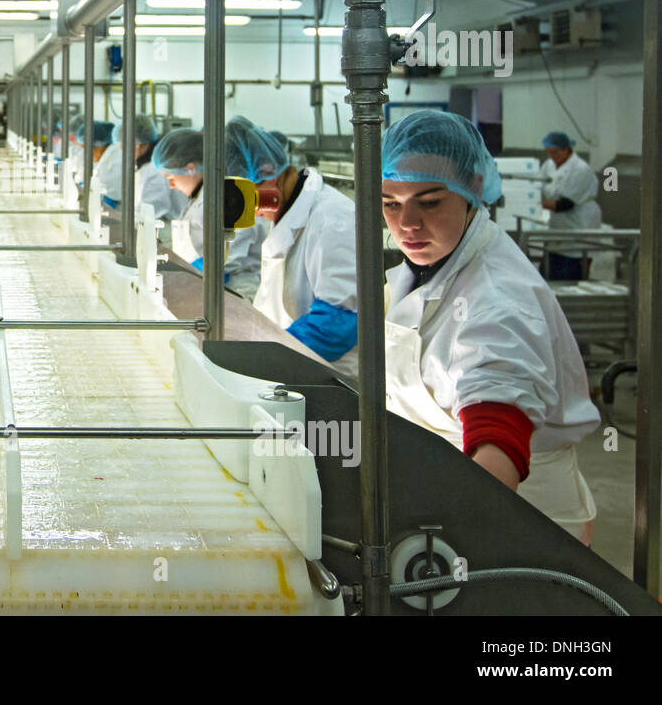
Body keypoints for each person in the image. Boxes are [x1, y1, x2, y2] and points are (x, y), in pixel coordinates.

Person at [382, 111, 599, 542]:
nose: (407, 223)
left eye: (429, 202)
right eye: (390, 203)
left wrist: (458, 540)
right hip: (451, 488)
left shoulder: (498, 301)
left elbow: (499, 433)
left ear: (474, 190)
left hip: (518, 523)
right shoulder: (434, 264)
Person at [223, 115, 360, 378]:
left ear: (267, 174)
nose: (249, 208)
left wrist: (267, 358)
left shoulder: (334, 219)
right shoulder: (288, 211)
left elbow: (338, 324)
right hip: (294, 368)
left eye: (249, 194)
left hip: (330, 378)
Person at [152, 127, 271, 298]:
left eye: (172, 179)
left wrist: (185, 273)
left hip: (234, 291)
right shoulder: (200, 195)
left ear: (190, 168)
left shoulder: (226, 197)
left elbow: (228, 259)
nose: (170, 186)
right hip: (205, 286)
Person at [538, 131, 602, 281]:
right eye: (549, 152)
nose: (552, 156)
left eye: (555, 152)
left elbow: (565, 204)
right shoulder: (548, 165)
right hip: (558, 224)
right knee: (553, 263)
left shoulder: (580, 169)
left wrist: (535, 204)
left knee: (574, 262)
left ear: (566, 149)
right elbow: (538, 187)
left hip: (579, 220)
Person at [96, 113, 185, 220]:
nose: (123, 153)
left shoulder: (155, 170)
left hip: (167, 229)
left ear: (136, 143)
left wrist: (116, 216)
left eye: (124, 148)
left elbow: (151, 214)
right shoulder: (143, 164)